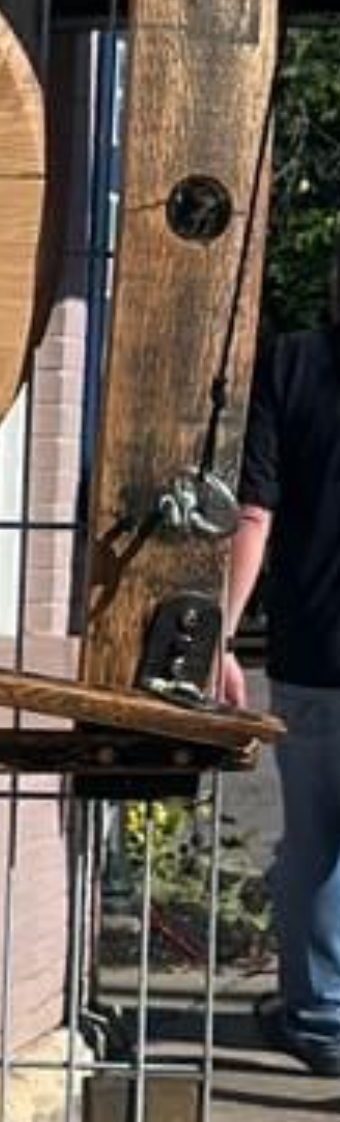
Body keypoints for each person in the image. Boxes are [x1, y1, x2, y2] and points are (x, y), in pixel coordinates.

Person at [224, 254, 340, 1078]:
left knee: (316, 840)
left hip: (316, 647)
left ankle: (324, 1016)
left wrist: (219, 638)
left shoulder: (293, 363)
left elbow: (254, 513)